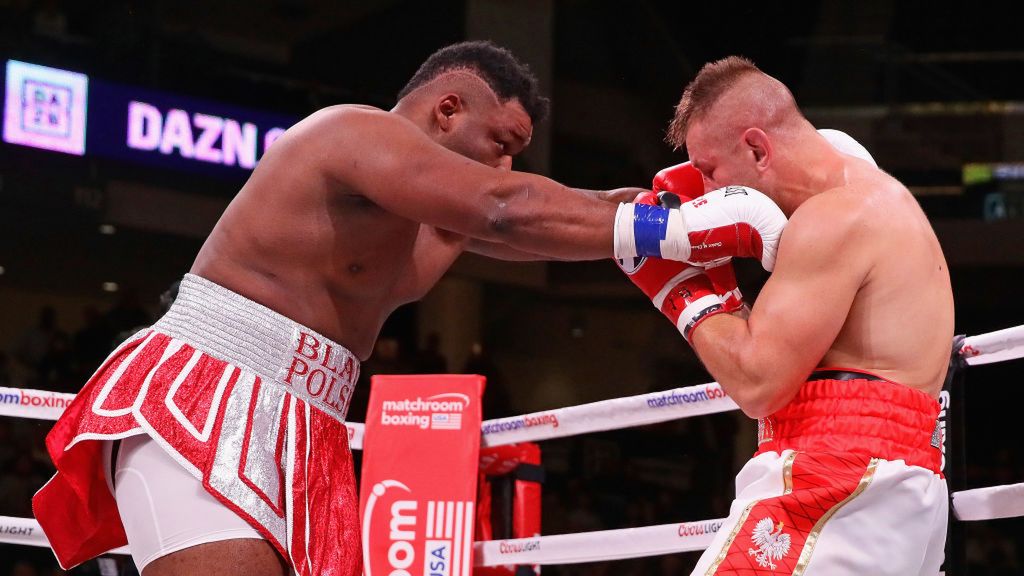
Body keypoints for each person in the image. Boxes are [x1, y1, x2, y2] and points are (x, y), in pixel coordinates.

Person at [33, 42, 785, 576]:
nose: (507, 165)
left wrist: (671, 208)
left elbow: (539, 228)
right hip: (215, 391)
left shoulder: (429, 219)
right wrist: (673, 230)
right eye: (501, 141)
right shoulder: (352, 131)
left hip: (308, 423)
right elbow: (504, 209)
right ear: (446, 108)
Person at [629, 56, 953, 575]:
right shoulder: (858, 190)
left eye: (710, 171)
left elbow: (758, 384)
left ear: (758, 148)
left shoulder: (837, 216)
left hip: (843, 478)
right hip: (885, 482)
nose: (709, 194)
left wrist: (683, 292)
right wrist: (731, 302)